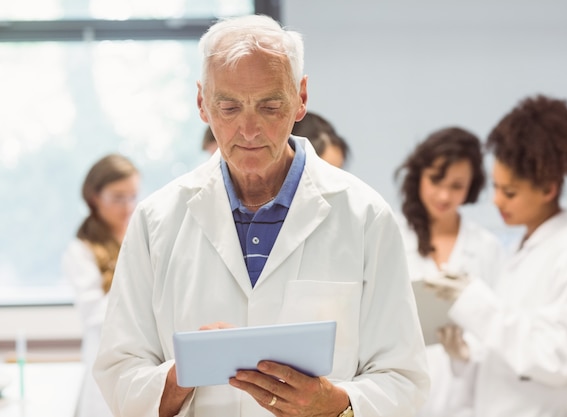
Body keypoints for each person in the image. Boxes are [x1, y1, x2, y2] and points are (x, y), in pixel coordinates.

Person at [93, 14, 429, 417]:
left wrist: (336, 405)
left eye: (270, 106)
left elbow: (405, 379)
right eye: (229, 107)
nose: (249, 130)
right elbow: (118, 373)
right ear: (202, 103)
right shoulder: (157, 221)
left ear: (301, 97)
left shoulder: (364, 216)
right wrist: (184, 372)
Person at [431, 95, 567, 416]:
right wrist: (465, 355)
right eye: (496, 187)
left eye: (510, 192)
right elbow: (509, 353)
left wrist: (476, 302)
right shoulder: (525, 251)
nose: (497, 201)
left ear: (548, 189)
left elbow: (554, 360)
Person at [395, 127, 504, 417]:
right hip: (404, 399)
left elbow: (500, 328)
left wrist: (467, 353)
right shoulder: (390, 236)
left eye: (457, 186)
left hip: (467, 401)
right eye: (435, 180)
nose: (444, 195)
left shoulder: (486, 247)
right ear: (419, 175)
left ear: (472, 187)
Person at [62, 153, 140, 417]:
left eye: (132, 196)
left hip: (144, 364)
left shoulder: (141, 237)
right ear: (95, 197)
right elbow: (93, 313)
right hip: (105, 362)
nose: (128, 206)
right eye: (118, 197)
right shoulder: (81, 251)